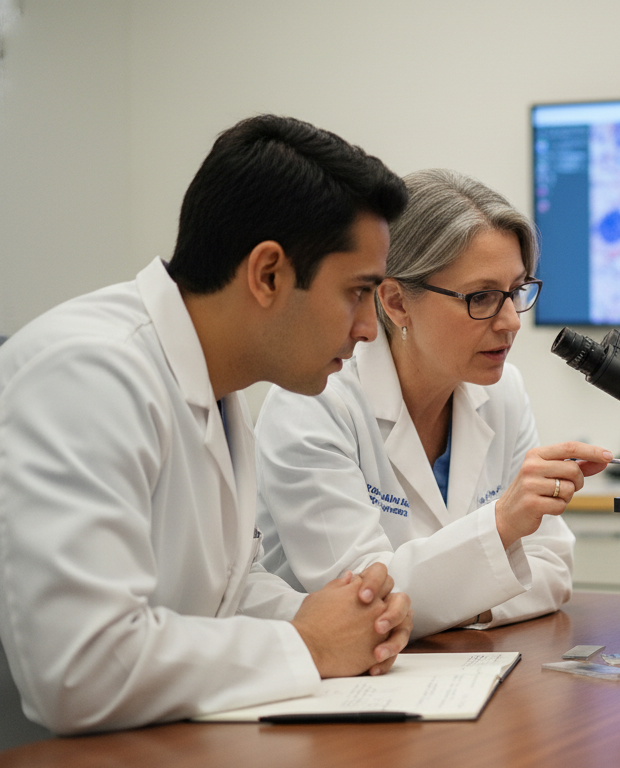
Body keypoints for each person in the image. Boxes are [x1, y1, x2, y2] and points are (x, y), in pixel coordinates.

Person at [0, 115, 415, 739]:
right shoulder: (89, 373)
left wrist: (348, 623)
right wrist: (305, 644)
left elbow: (222, 590)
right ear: (268, 273)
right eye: (357, 292)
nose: (366, 327)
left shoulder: (215, 386)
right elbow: (80, 670)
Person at [255, 169, 610, 639]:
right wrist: (501, 528)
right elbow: (364, 599)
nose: (510, 322)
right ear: (398, 302)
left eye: (516, 291)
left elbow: (552, 567)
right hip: (335, 686)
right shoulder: (314, 403)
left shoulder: (501, 393)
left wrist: (458, 600)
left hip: (449, 669)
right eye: (481, 296)